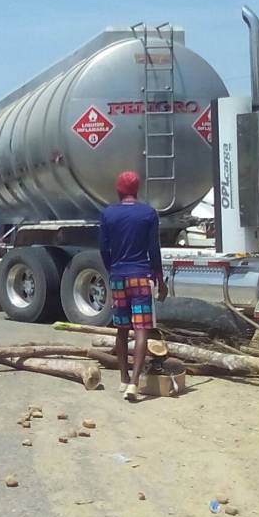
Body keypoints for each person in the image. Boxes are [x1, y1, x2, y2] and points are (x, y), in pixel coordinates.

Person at [100, 171, 168, 401]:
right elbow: (153, 250)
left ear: (119, 190)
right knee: (141, 331)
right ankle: (135, 384)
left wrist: (112, 270)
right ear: (137, 189)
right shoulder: (148, 213)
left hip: (118, 276)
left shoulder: (108, 214)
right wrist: (159, 278)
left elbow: (104, 249)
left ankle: (123, 378)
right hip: (140, 276)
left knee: (121, 329)